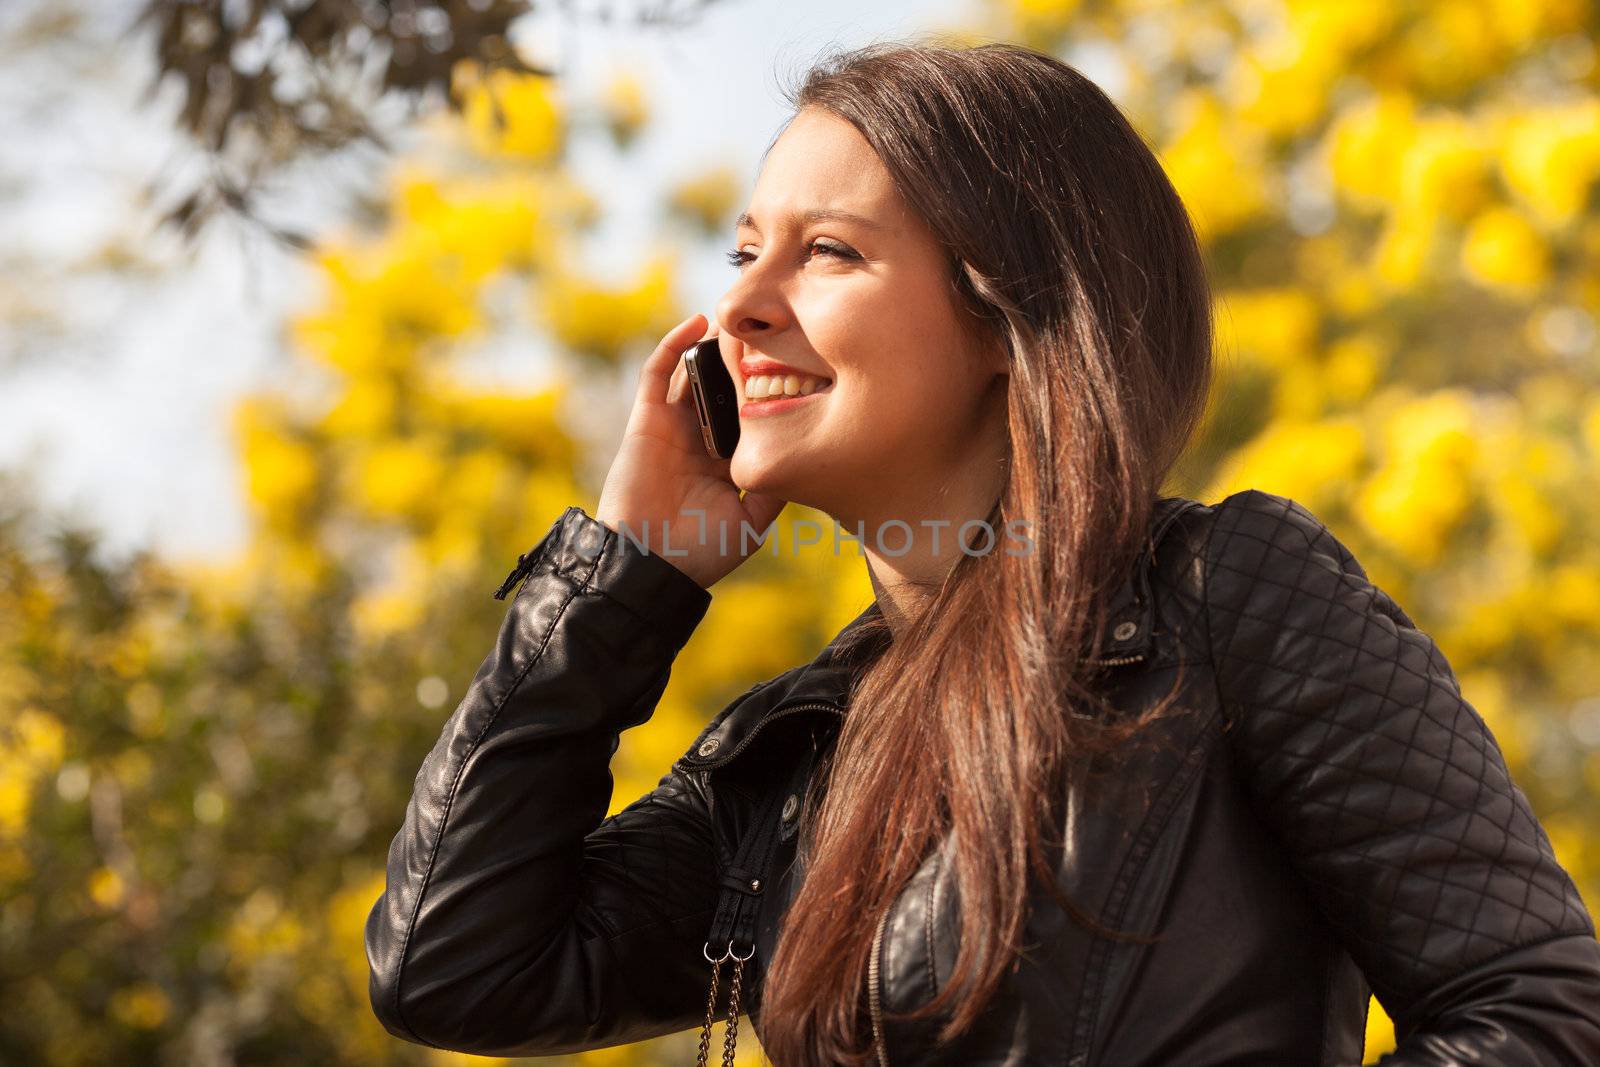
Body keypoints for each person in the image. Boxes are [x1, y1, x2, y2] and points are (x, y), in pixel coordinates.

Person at [364, 39, 1600, 1066]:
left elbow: (1543, 1016)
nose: (737, 304)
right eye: (745, 250)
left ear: (1012, 318)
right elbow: (456, 968)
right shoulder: (801, 747)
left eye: (827, 251)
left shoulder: (1224, 602)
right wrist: (626, 580)